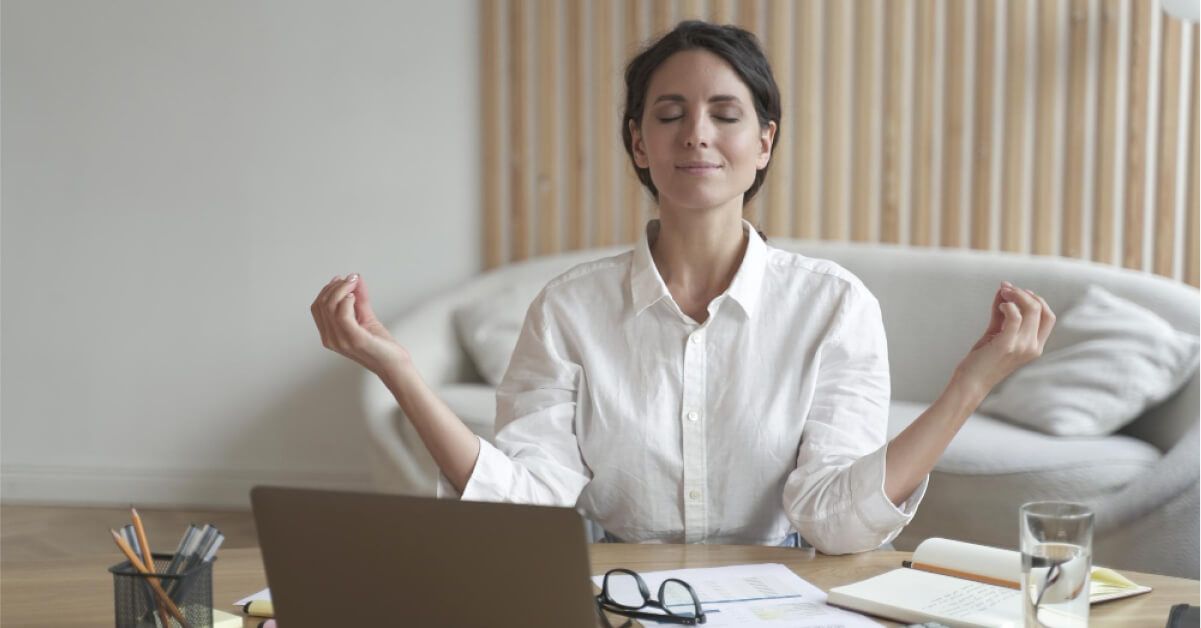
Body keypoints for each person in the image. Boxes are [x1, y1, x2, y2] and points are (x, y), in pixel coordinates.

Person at [309, 21, 1055, 554]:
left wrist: (971, 382)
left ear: (764, 142)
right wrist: (398, 370)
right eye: (669, 115)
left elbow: (834, 519)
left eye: (725, 115)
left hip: (780, 604)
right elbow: (525, 504)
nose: (696, 133)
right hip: (618, 597)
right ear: (639, 142)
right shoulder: (569, 310)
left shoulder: (834, 308)